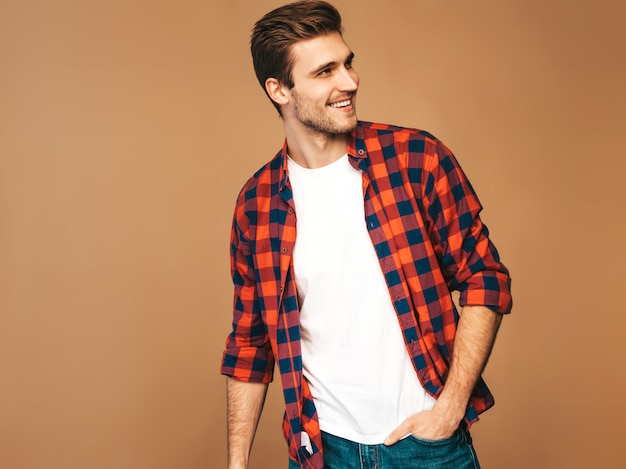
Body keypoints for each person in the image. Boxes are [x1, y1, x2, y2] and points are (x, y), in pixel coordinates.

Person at [220, 1, 512, 468]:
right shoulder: (256, 204)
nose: (349, 82)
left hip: (428, 447)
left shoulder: (417, 159)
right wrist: (236, 464)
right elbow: (250, 346)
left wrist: (451, 406)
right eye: (325, 71)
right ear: (279, 90)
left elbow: (485, 278)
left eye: (348, 62)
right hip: (322, 450)